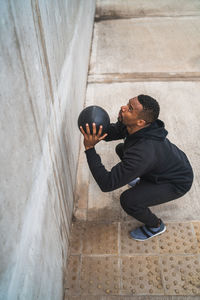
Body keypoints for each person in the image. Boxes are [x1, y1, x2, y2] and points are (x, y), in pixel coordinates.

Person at [79, 95, 193, 241]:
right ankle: (142, 180)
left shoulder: (142, 153)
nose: (123, 107)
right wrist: (96, 131)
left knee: (129, 200)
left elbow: (107, 183)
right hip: (166, 165)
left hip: (176, 182)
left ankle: (156, 226)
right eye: (127, 104)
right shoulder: (137, 126)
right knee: (122, 148)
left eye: (130, 109)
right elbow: (114, 131)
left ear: (140, 121)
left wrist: (89, 148)